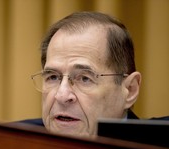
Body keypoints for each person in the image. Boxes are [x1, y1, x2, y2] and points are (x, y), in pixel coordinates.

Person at [19, 11, 168, 137]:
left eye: (84, 78)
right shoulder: (10, 144)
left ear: (130, 90)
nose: (62, 96)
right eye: (53, 77)